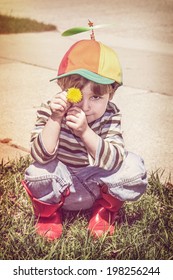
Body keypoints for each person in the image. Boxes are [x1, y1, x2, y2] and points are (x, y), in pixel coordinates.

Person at [22, 39, 147, 240]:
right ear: (63, 87)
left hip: (97, 187)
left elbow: (114, 160)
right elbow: (40, 157)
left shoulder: (110, 116)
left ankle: (104, 210)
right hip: (60, 188)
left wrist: (84, 132)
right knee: (36, 172)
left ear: (111, 93)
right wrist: (55, 118)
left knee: (133, 167)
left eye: (96, 97)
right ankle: (48, 214)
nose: (86, 106)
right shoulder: (51, 110)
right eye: (77, 94)